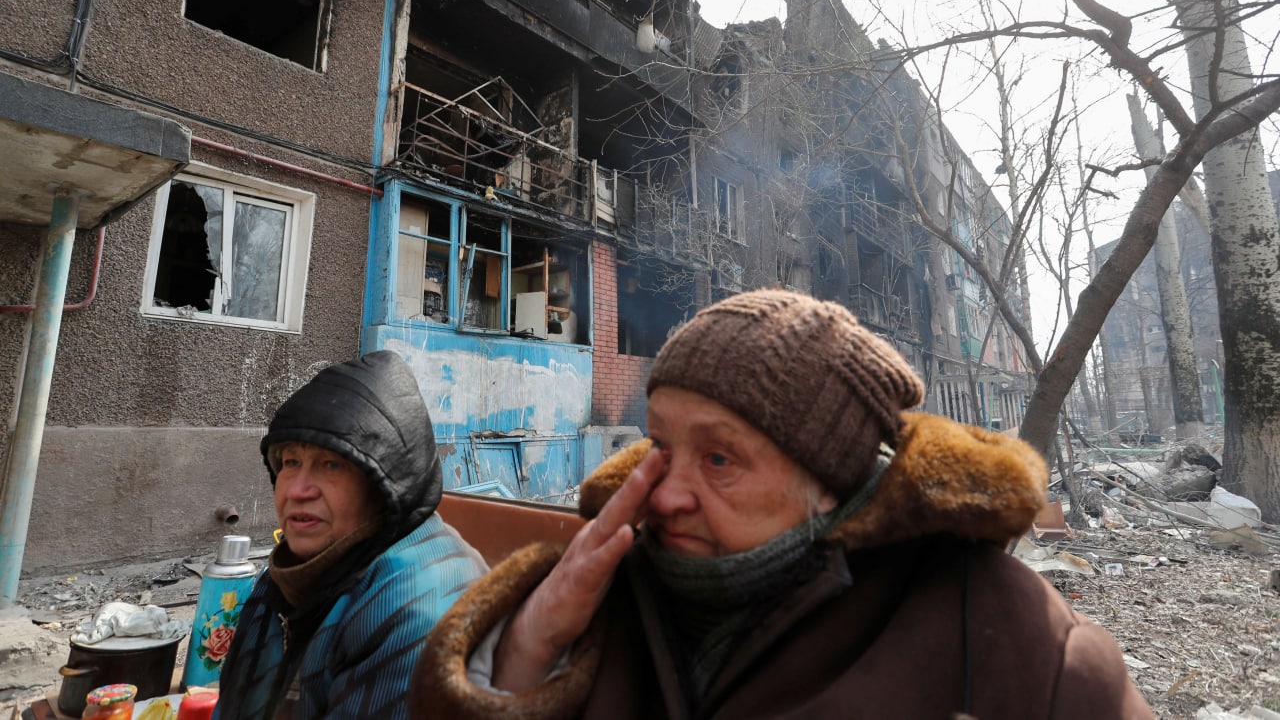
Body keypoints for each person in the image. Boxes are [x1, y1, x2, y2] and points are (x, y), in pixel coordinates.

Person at [415, 288, 1154, 719]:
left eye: (719, 457)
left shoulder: (1006, 637)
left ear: (829, 478)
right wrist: (530, 643)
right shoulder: (602, 604)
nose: (665, 491)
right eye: (661, 446)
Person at [214, 350, 486, 719]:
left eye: (331, 464)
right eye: (291, 462)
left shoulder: (419, 607)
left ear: (386, 483)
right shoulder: (293, 574)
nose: (297, 490)